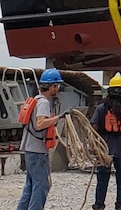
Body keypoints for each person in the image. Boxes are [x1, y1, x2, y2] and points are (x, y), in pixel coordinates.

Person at [16, 68, 69, 210]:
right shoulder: (44, 103)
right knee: (41, 186)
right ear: (52, 86)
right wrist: (59, 117)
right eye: (57, 86)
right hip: (38, 151)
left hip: (30, 149)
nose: (58, 89)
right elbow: (40, 124)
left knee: (31, 185)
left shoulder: (36, 100)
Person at [90, 73, 121, 210]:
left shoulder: (100, 109)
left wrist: (97, 146)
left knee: (102, 180)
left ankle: (99, 205)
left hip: (105, 147)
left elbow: (94, 129)